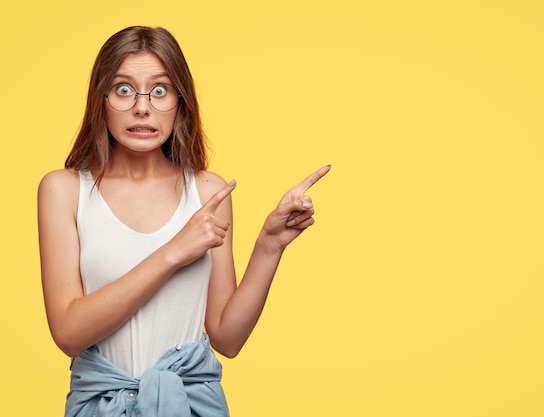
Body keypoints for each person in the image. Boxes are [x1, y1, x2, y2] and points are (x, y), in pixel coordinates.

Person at [37, 25, 330, 417]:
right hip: (100, 406)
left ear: (180, 102)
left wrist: (270, 245)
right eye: (124, 90)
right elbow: (69, 334)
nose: (143, 107)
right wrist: (175, 251)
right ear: (100, 100)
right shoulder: (64, 189)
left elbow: (227, 338)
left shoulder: (209, 191)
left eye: (160, 91)